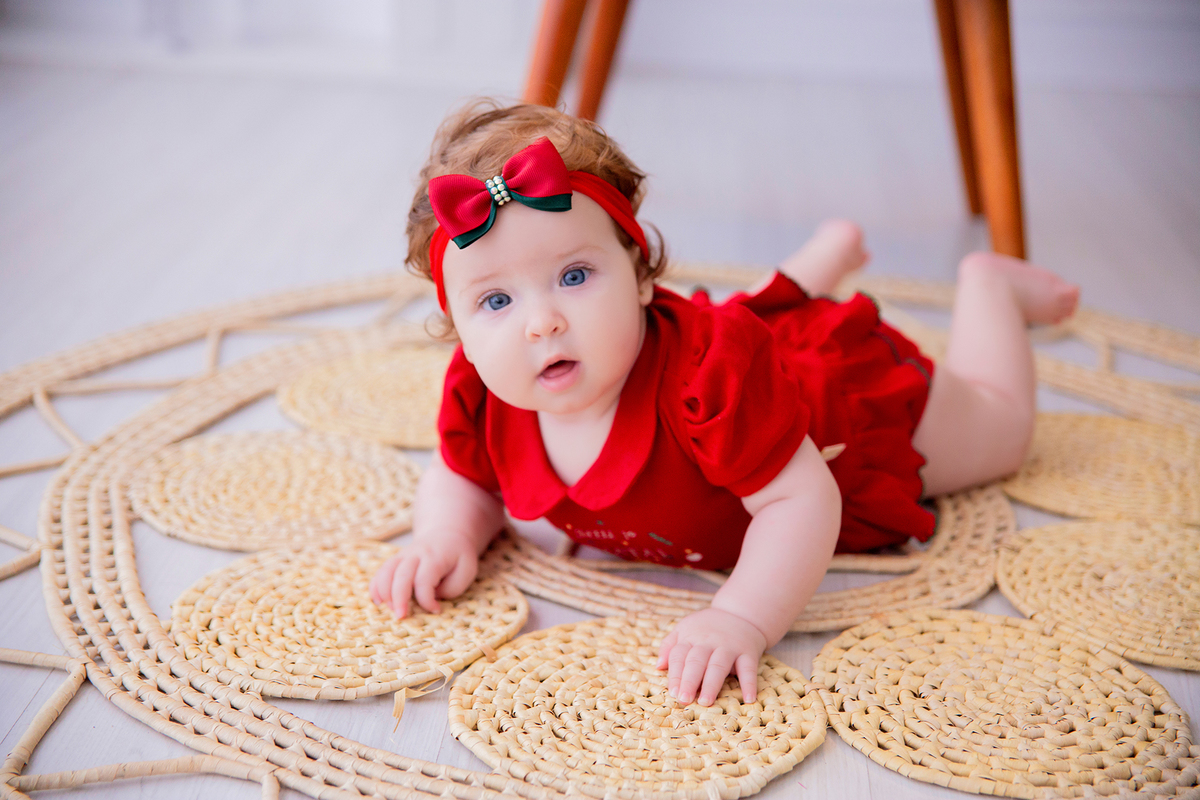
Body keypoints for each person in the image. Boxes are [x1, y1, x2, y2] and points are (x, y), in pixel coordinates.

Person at [369, 100, 1079, 708]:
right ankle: (819, 259)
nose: (541, 322)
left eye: (576, 275)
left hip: (842, 421)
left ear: (641, 275)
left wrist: (742, 616)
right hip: (711, 358)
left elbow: (802, 501)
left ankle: (990, 288)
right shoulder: (483, 391)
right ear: (457, 327)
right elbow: (463, 474)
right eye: (496, 299)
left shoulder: (711, 382)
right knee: (747, 316)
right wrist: (445, 537)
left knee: (1005, 432)